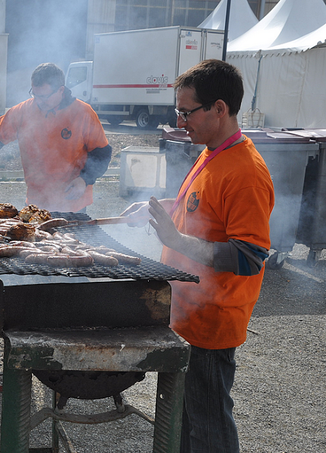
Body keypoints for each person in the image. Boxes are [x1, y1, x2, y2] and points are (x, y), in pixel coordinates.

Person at [121, 59, 274, 452]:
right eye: (178, 111)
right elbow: (199, 208)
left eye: (186, 112)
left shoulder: (246, 172)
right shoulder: (213, 152)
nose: (180, 121)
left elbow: (249, 256)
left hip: (213, 321)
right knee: (184, 422)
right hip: (187, 312)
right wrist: (159, 209)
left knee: (208, 428)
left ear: (219, 109)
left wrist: (177, 239)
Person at [0, 62, 112, 213]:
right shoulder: (23, 111)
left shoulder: (83, 112)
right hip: (35, 203)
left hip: (72, 204)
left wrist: (84, 180)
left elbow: (101, 153)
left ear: (61, 90)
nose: (38, 101)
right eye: (34, 95)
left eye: (43, 96)